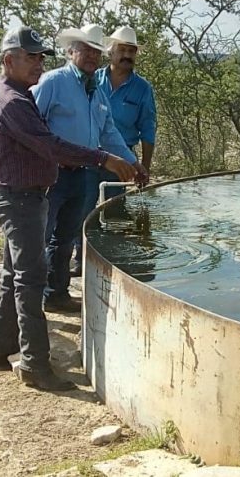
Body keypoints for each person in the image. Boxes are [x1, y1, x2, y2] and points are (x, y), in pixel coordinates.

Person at [0, 26, 137, 391]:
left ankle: (1, 350)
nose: (37, 64)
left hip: (24, 194)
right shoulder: (13, 101)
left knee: (13, 275)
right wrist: (104, 159)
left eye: (39, 57)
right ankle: (35, 365)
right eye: (30, 57)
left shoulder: (17, 94)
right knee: (31, 279)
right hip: (21, 197)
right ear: (8, 60)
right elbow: (50, 145)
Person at [31, 24, 146, 313]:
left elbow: (109, 135)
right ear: (71, 51)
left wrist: (134, 162)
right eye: (85, 50)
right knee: (39, 236)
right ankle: (28, 299)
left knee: (66, 237)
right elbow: (31, 125)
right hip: (51, 174)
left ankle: (55, 294)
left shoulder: (96, 90)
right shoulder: (53, 82)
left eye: (96, 51)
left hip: (82, 174)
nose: (91, 56)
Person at [70, 26, 157, 274]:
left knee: (115, 208)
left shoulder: (142, 89)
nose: (127, 55)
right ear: (111, 51)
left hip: (123, 157)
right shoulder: (92, 79)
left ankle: (114, 259)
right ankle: (82, 259)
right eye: (122, 50)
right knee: (84, 207)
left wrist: (145, 167)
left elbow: (148, 128)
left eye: (131, 50)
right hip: (88, 154)